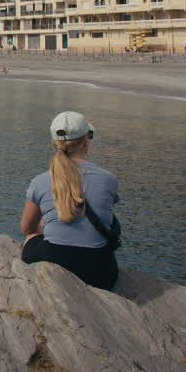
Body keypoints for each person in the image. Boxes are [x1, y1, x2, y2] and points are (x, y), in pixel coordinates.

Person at [19, 111, 120, 290]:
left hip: (53, 265)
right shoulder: (109, 179)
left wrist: (45, 227)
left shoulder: (40, 180)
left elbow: (26, 228)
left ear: (54, 144)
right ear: (86, 141)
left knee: (32, 236)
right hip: (100, 275)